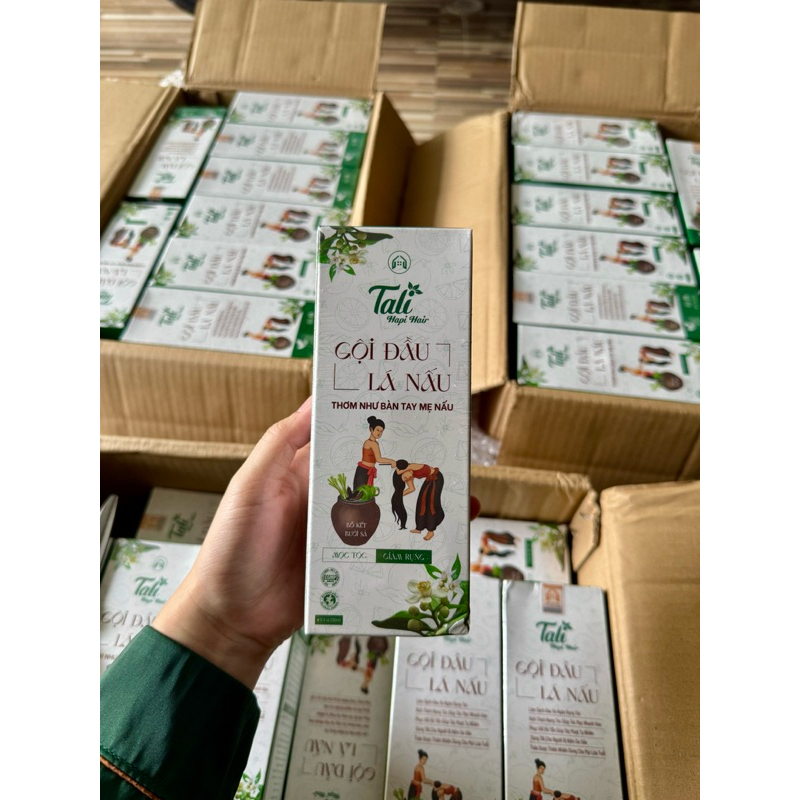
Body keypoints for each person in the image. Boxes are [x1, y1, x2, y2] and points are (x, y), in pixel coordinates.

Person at [101, 400, 478, 798]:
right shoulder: (370, 446)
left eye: (382, 432)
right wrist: (219, 624)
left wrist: (219, 625)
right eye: (379, 430)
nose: (380, 435)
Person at [391, 459, 445, 540]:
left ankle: (431, 531)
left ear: (403, 471)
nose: (407, 478)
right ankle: (419, 527)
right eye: (405, 480)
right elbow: (411, 489)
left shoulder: (411, 466)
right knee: (421, 503)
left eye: (405, 477)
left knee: (431, 504)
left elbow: (398, 472)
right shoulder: (408, 474)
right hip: (429, 480)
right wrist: (398, 496)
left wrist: (394, 464)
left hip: (437, 478)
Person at [353, 415, 396, 490]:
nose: (379, 433)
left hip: (366, 471)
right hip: (364, 472)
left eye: (381, 431)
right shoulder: (371, 443)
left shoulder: (374, 443)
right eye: (377, 430)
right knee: (361, 494)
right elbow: (379, 459)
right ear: (371, 429)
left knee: (366, 494)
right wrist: (391, 461)